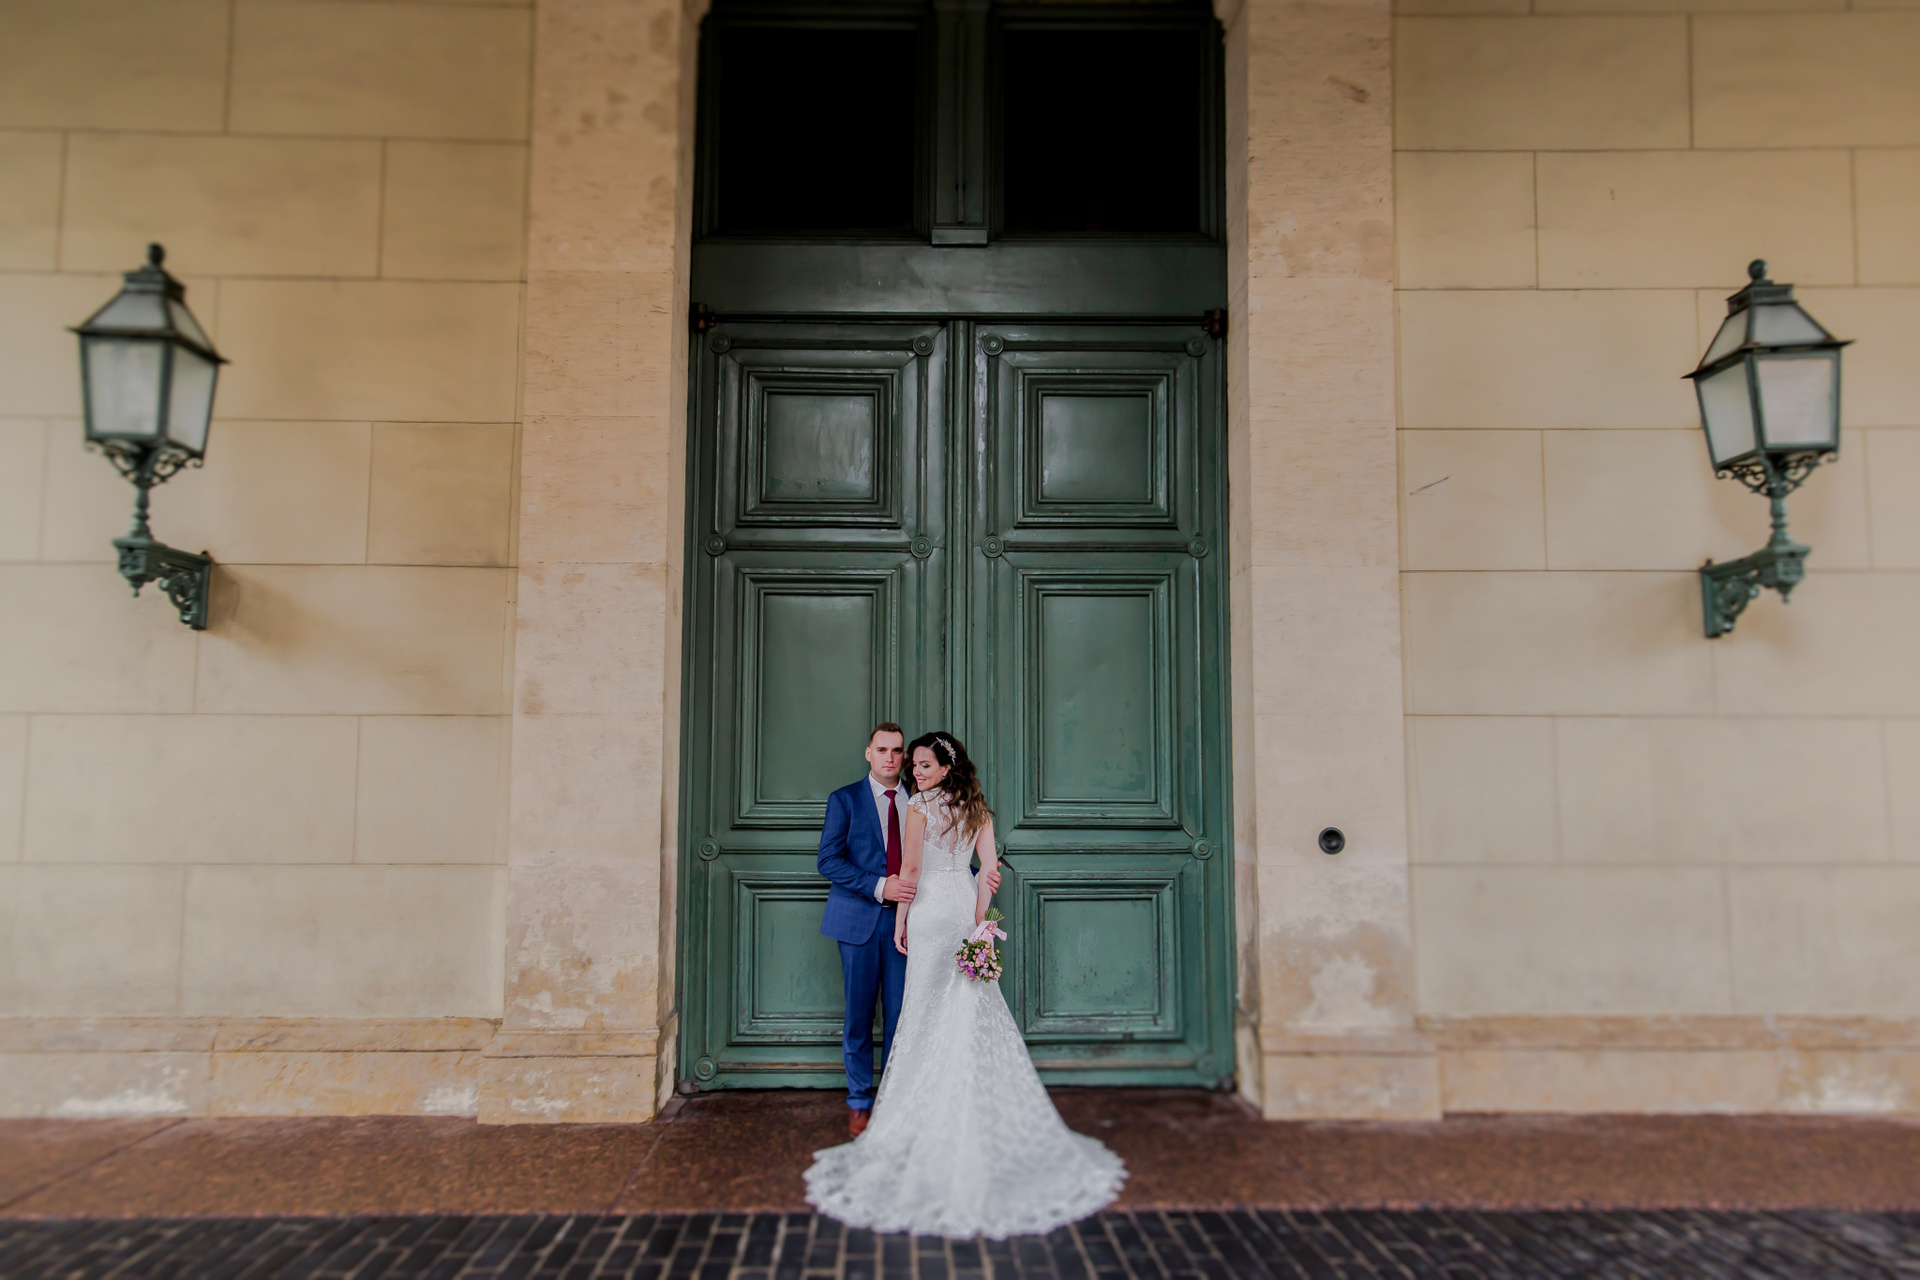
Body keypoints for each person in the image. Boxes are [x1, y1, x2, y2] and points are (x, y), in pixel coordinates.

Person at [805, 732, 1126, 1238]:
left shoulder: (919, 805)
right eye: (903, 760)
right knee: (946, 1011)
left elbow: (914, 868)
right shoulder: (971, 808)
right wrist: (979, 921)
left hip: (926, 915)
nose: (910, 769)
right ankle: (875, 1104)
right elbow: (986, 870)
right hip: (943, 913)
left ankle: (913, 1114)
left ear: (944, 767)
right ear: (870, 753)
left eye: (919, 762)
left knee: (919, 1015)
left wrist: (901, 919)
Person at [816, 723, 1001, 1137]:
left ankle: (895, 1101)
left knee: (907, 1017)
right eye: (882, 749)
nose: (891, 758)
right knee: (859, 1016)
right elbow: (827, 861)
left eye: (897, 751)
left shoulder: (923, 798)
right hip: (860, 919)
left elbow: (944, 859)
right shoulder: (844, 799)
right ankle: (860, 1102)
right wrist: (880, 885)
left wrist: (984, 875)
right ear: (869, 753)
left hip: (917, 922)